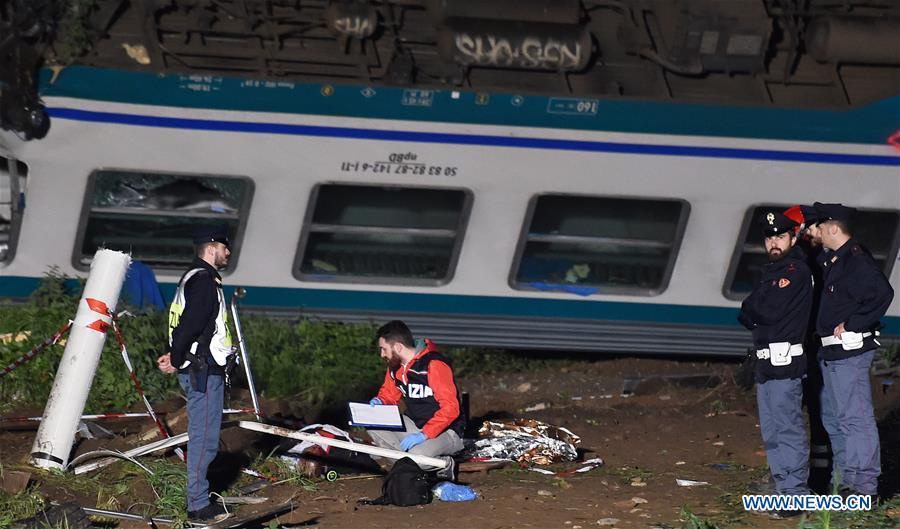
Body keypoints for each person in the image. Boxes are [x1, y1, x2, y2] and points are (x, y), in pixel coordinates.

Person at [813, 202, 893, 502]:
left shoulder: (855, 261)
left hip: (850, 353)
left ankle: (864, 488)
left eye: (821, 226)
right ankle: (847, 481)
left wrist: (855, 323)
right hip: (833, 354)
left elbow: (883, 293)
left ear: (834, 228)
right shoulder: (835, 260)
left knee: (855, 418)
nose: (818, 231)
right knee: (837, 418)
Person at [738, 211, 814, 518]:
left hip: (785, 363)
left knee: (787, 429)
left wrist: (755, 308)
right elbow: (747, 310)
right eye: (769, 238)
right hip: (767, 363)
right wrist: (755, 309)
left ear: (793, 238)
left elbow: (765, 310)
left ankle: (796, 494)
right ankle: (784, 487)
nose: (773, 242)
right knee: (772, 430)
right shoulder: (773, 270)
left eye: (780, 237)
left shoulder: (794, 270)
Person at [157, 224, 235, 523]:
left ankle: (199, 499)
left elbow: (184, 324)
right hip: (203, 371)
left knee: (204, 436)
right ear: (211, 247)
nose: (228, 252)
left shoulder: (192, 278)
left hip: (199, 367)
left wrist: (174, 354)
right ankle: (198, 506)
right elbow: (191, 324)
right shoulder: (203, 281)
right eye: (224, 246)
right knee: (204, 439)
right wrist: (177, 358)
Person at [783, 205, 844, 493]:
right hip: (809, 346)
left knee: (828, 412)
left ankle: (834, 479)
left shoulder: (819, 260)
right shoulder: (808, 260)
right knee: (816, 412)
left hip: (821, 346)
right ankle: (822, 477)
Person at [366, 320, 465, 480]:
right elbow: (388, 394)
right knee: (371, 421)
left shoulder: (434, 365)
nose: (382, 355)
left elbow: (451, 409)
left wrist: (425, 434)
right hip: (415, 426)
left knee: (417, 455)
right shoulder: (395, 367)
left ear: (398, 347)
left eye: (384, 349)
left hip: (446, 431)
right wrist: (380, 401)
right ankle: (407, 465)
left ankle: (444, 463)